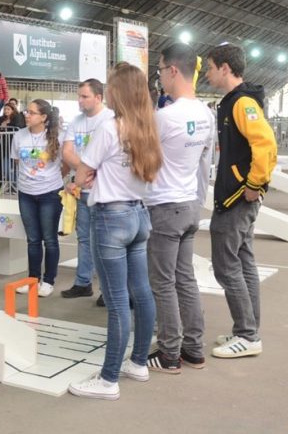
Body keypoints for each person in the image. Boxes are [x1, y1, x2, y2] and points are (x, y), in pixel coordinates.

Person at [68, 62, 162, 400]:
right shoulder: (147, 129)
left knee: (118, 300)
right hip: (139, 215)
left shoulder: (110, 128)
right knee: (141, 292)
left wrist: (84, 177)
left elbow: (82, 172)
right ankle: (138, 362)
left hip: (111, 218)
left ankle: (108, 379)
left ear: (116, 93)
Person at [145, 43, 214, 374]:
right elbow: (204, 163)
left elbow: (144, 163)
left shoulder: (164, 116)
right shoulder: (205, 113)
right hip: (189, 203)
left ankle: (169, 353)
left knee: (162, 282)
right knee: (185, 278)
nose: (159, 78)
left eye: (159, 70)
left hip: (165, 206)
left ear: (173, 70)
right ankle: (194, 349)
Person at [205, 43, 277, 359]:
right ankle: (247, 331)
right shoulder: (234, 102)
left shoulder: (242, 103)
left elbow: (266, 144)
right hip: (237, 194)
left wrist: (254, 184)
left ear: (224, 67)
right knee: (244, 262)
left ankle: (247, 335)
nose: (207, 74)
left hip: (237, 197)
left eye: (209, 68)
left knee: (226, 266)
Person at [60, 79, 114, 300]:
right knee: (84, 238)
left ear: (98, 98)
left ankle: (107, 289)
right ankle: (83, 282)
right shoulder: (76, 122)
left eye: (84, 96)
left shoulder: (110, 119)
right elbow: (67, 152)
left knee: (107, 243)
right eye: (79, 96)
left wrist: (86, 171)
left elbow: (110, 155)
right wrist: (87, 170)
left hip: (104, 192)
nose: (79, 100)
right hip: (83, 189)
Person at [11, 99, 65, 298]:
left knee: (49, 239)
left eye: (32, 113)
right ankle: (32, 279)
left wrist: (52, 179)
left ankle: (49, 280)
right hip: (26, 193)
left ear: (43, 117)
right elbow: (18, 162)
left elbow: (65, 163)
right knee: (33, 240)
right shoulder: (18, 136)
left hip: (50, 193)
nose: (27, 115)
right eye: (27, 111)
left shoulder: (57, 136)